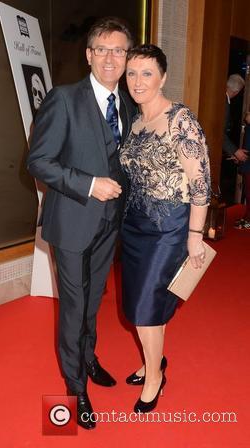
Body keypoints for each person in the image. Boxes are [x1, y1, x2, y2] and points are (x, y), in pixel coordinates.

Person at [27, 17, 136, 429]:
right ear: (89, 55)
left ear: (127, 57)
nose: (111, 57)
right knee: (74, 307)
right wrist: (88, 185)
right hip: (72, 221)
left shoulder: (126, 103)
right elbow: (38, 162)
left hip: (110, 224)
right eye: (103, 49)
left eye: (119, 50)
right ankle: (75, 389)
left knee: (94, 302)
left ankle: (89, 359)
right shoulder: (63, 98)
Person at [119, 44, 211, 413]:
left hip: (168, 229)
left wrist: (194, 237)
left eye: (146, 73)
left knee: (143, 308)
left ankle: (155, 376)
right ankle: (153, 361)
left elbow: (201, 181)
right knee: (148, 305)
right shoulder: (136, 121)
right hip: (134, 225)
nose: (137, 81)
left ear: (163, 77)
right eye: (131, 73)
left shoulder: (180, 119)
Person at [223, 74, 246, 163]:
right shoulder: (224, 103)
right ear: (236, 92)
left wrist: (232, 152)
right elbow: (219, 132)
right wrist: (235, 151)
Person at [235, 111, 250, 229]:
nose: (246, 114)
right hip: (247, 163)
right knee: (247, 193)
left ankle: (248, 220)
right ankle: (247, 218)